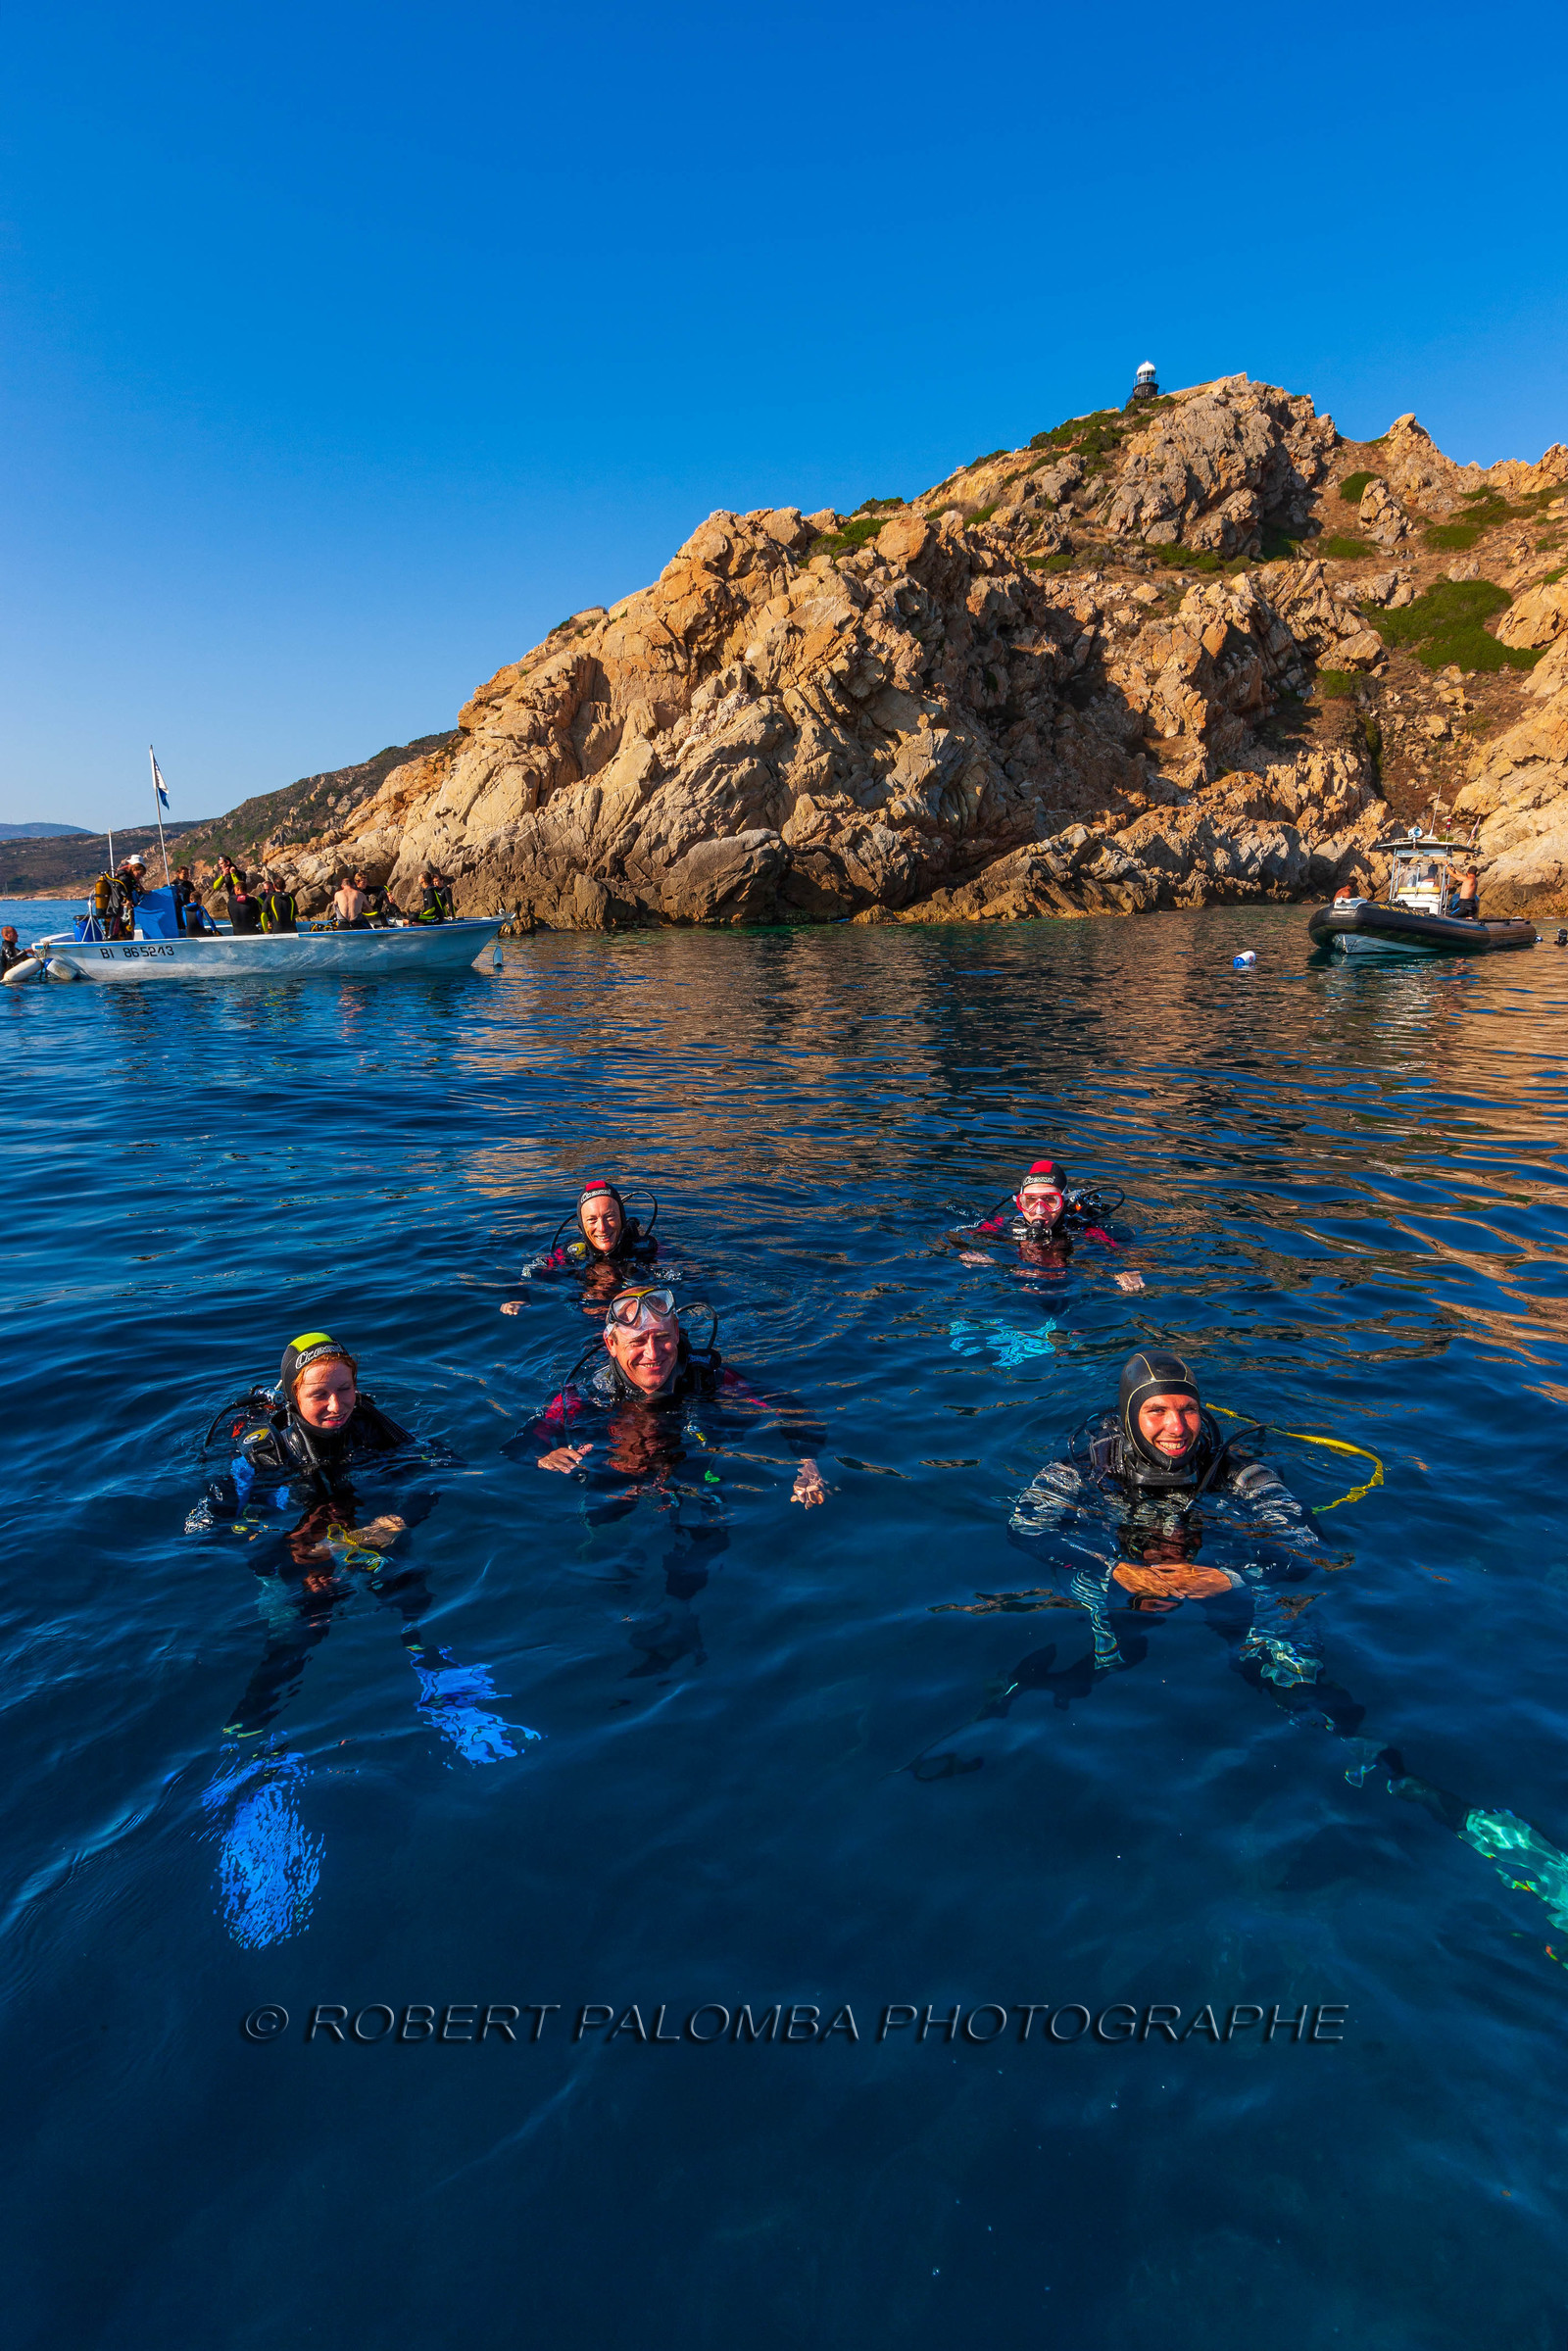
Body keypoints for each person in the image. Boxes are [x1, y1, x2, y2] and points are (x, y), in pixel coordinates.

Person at [186, 1330, 519, 1763]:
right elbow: (205, 1527)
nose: (336, 1405)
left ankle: (435, 1670)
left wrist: (395, 1520)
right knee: (303, 1624)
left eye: (345, 1389)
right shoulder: (262, 1451)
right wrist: (284, 1548)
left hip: (360, 1525)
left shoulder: (367, 1423)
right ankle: (248, 1734)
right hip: (296, 1543)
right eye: (319, 1394)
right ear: (291, 1396)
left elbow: (443, 1463)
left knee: (407, 1586)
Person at [526, 1285, 828, 1509]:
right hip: (623, 1470)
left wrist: (809, 1463)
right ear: (611, 1344)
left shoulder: (705, 1376)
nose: (653, 1354)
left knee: (710, 1518)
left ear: (676, 1330)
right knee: (603, 1514)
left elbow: (789, 1407)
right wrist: (542, 1458)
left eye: (662, 1337)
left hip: (691, 1464)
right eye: (637, 1342)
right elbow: (524, 1443)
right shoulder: (590, 1392)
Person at [949, 1159, 1144, 1291]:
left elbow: (1139, 1256)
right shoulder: (1007, 1225)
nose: (1039, 1210)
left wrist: (1130, 1271)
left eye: (1050, 1200)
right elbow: (951, 1237)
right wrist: (967, 1252)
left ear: (1064, 1202)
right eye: (1030, 1201)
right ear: (1020, 1202)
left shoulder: (1083, 1229)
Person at [501, 1176, 661, 1313]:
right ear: (581, 1227)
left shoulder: (647, 1248)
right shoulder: (571, 1252)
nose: (602, 1228)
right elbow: (530, 1272)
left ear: (622, 1219)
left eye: (610, 1217)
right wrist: (518, 1297)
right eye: (592, 1220)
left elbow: (674, 1276)